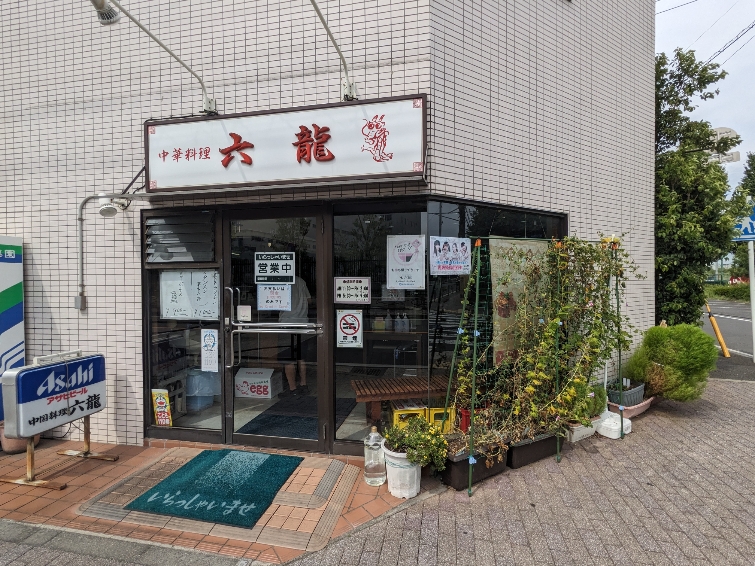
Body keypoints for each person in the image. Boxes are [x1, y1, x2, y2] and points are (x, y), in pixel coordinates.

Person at [279, 275, 312, 396]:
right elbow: (309, 300)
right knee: (301, 357)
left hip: (287, 323)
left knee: (288, 359)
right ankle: (304, 385)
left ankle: (292, 389)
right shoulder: (301, 281)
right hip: (302, 322)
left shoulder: (281, 281)